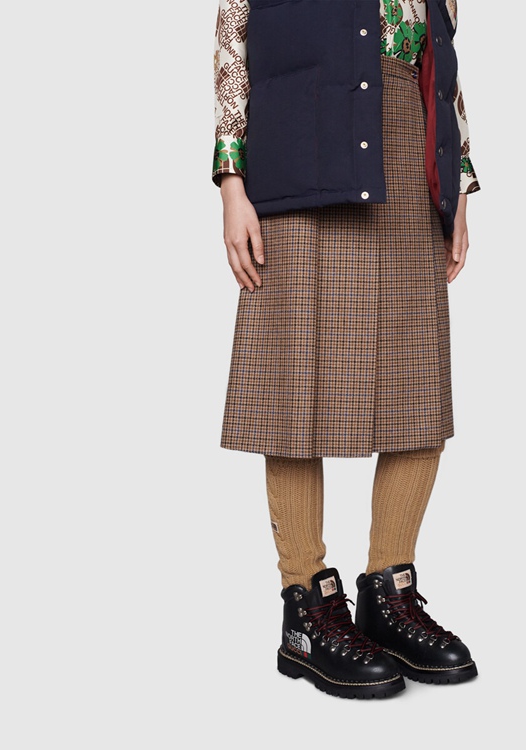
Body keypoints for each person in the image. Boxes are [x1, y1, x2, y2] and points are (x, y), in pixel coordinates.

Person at [213, 0, 481, 699]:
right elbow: (236, 32)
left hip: (410, 158)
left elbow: (442, 66)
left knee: (416, 381)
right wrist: (232, 180)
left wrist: (460, 182)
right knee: (294, 385)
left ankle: (388, 594)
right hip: (300, 148)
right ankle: (306, 608)